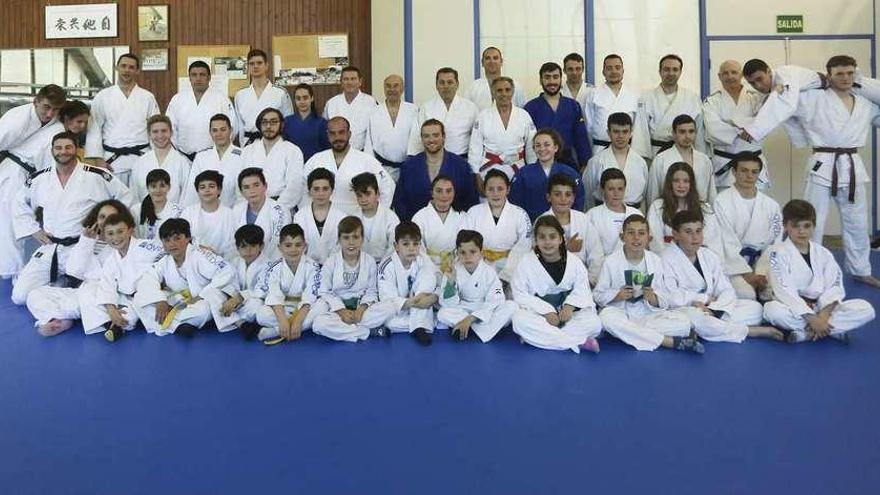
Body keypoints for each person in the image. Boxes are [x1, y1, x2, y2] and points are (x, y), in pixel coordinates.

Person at [12, 132, 132, 305]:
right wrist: (33, 229)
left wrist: (109, 229)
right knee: (19, 297)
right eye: (58, 148)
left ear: (77, 149)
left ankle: (62, 289)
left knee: (99, 291)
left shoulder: (97, 175)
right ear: (52, 150)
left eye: (68, 147)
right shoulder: (40, 178)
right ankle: (59, 287)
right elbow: (19, 203)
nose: (63, 151)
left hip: (83, 247)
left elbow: (125, 197)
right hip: (51, 246)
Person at [792, 55, 880, 287]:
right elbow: (786, 106)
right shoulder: (813, 98)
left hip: (852, 165)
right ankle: (811, 270)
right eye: (839, 73)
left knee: (857, 221)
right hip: (823, 163)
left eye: (850, 73)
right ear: (829, 75)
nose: (845, 78)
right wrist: (798, 138)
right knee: (813, 219)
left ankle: (861, 268)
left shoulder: (865, 103)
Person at [661, 210, 783, 344]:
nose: (695, 237)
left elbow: (726, 289)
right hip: (684, 310)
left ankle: (710, 326)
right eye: (688, 232)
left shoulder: (709, 255)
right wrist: (703, 299)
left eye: (698, 231)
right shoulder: (665, 258)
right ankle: (749, 331)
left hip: (711, 309)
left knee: (756, 308)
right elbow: (670, 296)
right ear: (675, 234)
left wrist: (716, 309)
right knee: (693, 318)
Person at [764, 200, 875, 343]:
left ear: (814, 226)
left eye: (807, 226)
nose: (802, 231)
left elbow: (834, 285)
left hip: (822, 307)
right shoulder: (776, 253)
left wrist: (822, 316)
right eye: (795, 226)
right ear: (785, 226)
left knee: (865, 308)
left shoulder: (824, 253)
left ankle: (806, 334)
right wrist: (811, 318)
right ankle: (831, 330)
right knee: (773, 311)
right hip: (793, 308)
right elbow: (784, 290)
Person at [593, 215, 702, 353]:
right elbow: (597, 295)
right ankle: (669, 341)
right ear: (622, 237)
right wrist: (617, 295)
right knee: (605, 318)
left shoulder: (656, 260)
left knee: (684, 322)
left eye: (641, 233)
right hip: (621, 312)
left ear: (648, 238)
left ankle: (627, 333)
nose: (636, 238)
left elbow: (665, 296)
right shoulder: (610, 261)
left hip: (647, 314)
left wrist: (653, 298)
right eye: (631, 233)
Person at [25, 200, 127, 336]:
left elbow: (110, 277)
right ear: (96, 218)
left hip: (104, 295)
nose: (105, 221)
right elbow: (73, 271)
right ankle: (59, 318)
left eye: (111, 217)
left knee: (88, 296)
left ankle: (65, 316)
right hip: (82, 293)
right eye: (102, 217)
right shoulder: (88, 239)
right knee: (34, 295)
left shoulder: (121, 242)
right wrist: (86, 241)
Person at [0, 89, 72, 278]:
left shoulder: (56, 127)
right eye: (46, 107)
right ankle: (10, 271)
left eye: (55, 110)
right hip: (13, 171)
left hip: (32, 174)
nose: (49, 114)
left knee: (21, 219)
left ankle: (17, 268)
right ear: (36, 101)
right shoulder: (18, 118)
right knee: (9, 222)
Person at [511, 216, 602, 353]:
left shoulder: (575, 262)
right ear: (536, 241)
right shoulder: (525, 262)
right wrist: (546, 311)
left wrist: (570, 307)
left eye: (552, 237)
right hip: (540, 315)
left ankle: (539, 337)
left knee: (594, 323)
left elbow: (583, 290)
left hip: (568, 315)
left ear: (561, 239)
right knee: (519, 320)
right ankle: (579, 341)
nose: (547, 242)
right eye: (542, 237)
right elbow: (520, 294)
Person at [134, 218, 235, 337]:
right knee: (139, 299)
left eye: (177, 238)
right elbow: (149, 279)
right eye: (167, 240)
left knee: (204, 310)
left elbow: (226, 272)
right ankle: (180, 325)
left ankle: (171, 323)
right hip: (179, 301)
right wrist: (160, 300)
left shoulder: (200, 255)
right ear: (163, 243)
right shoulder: (165, 261)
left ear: (188, 238)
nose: (172, 244)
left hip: (201, 300)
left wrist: (201, 296)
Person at [79, 209, 165, 341]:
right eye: (110, 234)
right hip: (127, 297)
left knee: (143, 305)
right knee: (89, 291)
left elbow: (169, 248)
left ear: (130, 231)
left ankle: (118, 324)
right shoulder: (111, 259)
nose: (116, 238)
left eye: (120, 231)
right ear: (105, 236)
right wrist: (111, 309)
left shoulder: (145, 246)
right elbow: (107, 285)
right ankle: (114, 321)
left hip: (152, 294)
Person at [311, 216, 397, 341]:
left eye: (355, 237)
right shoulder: (331, 262)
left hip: (362, 310)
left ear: (362, 239)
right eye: (346, 238)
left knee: (390, 307)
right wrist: (341, 311)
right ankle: (366, 332)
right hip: (337, 311)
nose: (351, 242)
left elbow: (371, 291)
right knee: (319, 324)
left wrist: (361, 310)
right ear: (339, 240)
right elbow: (324, 291)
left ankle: (347, 330)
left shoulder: (370, 261)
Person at [712, 152, 782, 300]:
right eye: (744, 171)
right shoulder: (721, 202)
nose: (749, 176)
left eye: (754, 172)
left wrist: (761, 273)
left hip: (763, 264)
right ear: (734, 172)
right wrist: (747, 274)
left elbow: (775, 243)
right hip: (734, 266)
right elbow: (725, 243)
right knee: (746, 295)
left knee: (777, 293)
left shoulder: (772, 206)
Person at [84, 53, 160, 186]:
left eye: (131, 67)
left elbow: (156, 129)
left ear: (137, 71)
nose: (126, 70)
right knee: (115, 202)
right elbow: (94, 128)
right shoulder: (103, 96)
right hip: (111, 160)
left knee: (142, 200)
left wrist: (156, 158)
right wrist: (98, 159)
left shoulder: (147, 97)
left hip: (142, 157)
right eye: (123, 66)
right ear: (116, 68)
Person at [302, 116, 395, 215]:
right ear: (328, 136)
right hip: (324, 218)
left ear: (349, 134)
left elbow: (388, 185)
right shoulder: (316, 160)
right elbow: (302, 187)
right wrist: (311, 213)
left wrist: (375, 214)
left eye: (341, 132)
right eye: (333, 133)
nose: (337, 137)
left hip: (356, 219)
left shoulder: (366, 160)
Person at [437, 230, 517, 342]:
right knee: (442, 313)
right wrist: (451, 281)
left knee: (511, 306)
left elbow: (496, 300)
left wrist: (470, 319)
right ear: (457, 253)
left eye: (472, 252)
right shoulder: (453, 270)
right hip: (462, 308)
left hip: (483, 307)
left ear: (481, 252)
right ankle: (483, 330)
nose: (467, 257)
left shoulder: (489, 272)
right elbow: (448, 303)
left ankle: (466, 327)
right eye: (462, 252)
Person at [393, 119, 478, 221]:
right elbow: (400, 202)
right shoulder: (409, 167)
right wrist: (409, 227)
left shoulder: (461, 165)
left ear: (444, 137)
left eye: (436, 135)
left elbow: (471, 201)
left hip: (454, 227)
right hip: (416, 227)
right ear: (421, 138)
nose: (431, 140)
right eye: (426, 136)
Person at [702, 60, 769, 189]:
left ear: (741, 75)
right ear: (719, 76)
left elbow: (764, 123)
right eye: (725, 73)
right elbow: (712, 129)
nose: (730, 76)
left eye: (734, 72)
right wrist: (740, 131)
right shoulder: (712, 101)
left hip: (754, 164)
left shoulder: (756, 97)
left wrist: (730, 125)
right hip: (725, 165)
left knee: (757, 206)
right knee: (724, 205)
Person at [255, 224, 322, 343]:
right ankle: (288, 327)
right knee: (261, 315)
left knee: (322, 307)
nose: (293, 249)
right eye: (288, 245)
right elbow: (274, 296)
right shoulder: (274, 268)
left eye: (298, 245)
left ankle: (276, 331)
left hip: (304, 308)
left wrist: (298, 321)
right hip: (283, 307)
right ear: (279, 247)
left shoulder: (313, 267)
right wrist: (282, 320)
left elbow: (310, 296)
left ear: (305, 246)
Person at [376, 222, 438, 345]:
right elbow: (387, 299)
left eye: (416, 244)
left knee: (427, 274)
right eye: (406, 244)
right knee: (389, 322)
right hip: (401, 309)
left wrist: (432, 297)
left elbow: (435, 284)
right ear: (396, 246)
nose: (411, 248)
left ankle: (419, 325)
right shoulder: (386, 266)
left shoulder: (423, 259)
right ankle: (421, 325)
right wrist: (415, 302)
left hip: (421, 304)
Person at [206, 224, 273, 339]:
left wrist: (239, 298)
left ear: (261, 246)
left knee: (256, 305)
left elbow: (262, 290)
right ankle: (240, 323)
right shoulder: (234, 261)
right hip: (233, 302)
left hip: (250, 302)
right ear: (237, 248)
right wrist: (231, 298)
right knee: (211, 292)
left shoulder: (269, 265)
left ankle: (225, 318)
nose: (248, 250)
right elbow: (228, 283)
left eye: (253, 246)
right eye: (243, 246)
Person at [468, 77, 537, 188]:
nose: (504, 94)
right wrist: (476, 174)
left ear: (513, 92)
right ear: (493, 93)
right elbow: (475, 148)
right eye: (499, 90)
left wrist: (532, 168)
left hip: (518, 167)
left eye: (507, 90)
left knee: (517, 201)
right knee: (491, 201)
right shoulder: (483, 116)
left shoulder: (524, 115)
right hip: (489, 167)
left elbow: (531, 146)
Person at [634, 54, 705, 159]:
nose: (671, 73)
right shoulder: (646, 98)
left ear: (680, 72)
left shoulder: (692, 97)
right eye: (666, 69)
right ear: (660, 72)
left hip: (685, 152)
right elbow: (641, 131)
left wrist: (701, 156)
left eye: (675, 69)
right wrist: (643, 158)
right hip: (656, 152)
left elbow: (699, 131)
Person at [538, 174, 604, 285]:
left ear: (573, 198)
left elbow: (596, 255)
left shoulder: (583, 220)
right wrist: (566, 248)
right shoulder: (541, 221)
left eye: (568, 194)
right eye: (557, 194)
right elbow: (537, 256)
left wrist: (589, 282)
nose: (563, 199)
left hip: (582, 280)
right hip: (550, 281)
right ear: (548, 197)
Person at [464, 169, 531, 277]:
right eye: (490, 189)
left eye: (500, 189)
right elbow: (465, 241)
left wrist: (507, 273)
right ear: (484, 190)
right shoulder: (473, 212)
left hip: (511, 266)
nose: (495, 193)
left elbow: (525, 244)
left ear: (508, 190)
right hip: (479, 265)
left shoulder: (520, 214)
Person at [647, 162, 723, 257]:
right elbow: (656, 243)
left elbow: (713, 242)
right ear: (670, 183)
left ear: (691, 184)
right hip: (668, 261)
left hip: (699, 260)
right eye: (676, 181)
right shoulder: (658, 206)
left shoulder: (704, 208)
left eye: (686, 181)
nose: (681, 185)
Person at [524, 62, 591, 169]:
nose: (552, 82)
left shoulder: (573, 105)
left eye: (555, 77)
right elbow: (527, 142)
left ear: (561, 79)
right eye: (547, 77)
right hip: (540, 161)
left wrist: (585, 163)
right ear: (541, 80)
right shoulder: (530, 107)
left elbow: (581, 138)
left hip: (568, 161)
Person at [508, 128, 585, 221]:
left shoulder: (570, 173)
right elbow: (515, 205)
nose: (542, 149)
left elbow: (578, 201)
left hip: (564, 226)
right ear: (534, 149)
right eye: (538, 145)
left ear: (556, 147)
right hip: (532, 227)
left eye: (547, 145)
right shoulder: (523, 174)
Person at [166, 60, 237, 160]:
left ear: (209, 78)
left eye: (202, 74)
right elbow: (170, 127)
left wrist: (220, 150)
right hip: (183, 156)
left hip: (212, 156)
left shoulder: (221, 99)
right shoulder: (177, 99)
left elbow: (232, 126)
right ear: (189, 78)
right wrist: (178, 151)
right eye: (194, 75)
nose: (198, 78)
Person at [241, 107, 305, 213]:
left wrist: (276, 208)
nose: (268, 126)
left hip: (281, 207)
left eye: (274, 122)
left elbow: (295, 185)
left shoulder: (292, 150)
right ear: (259, 125)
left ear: (282, 125)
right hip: (252, 207)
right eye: (264, 122)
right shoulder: (248, 150)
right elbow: (241, 182)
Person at [407, 67, 479, 157]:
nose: (446, 86)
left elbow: (477, 139)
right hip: (433, 160)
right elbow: (417, 137)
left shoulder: (471, 108)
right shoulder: (426, 107)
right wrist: (413, 159)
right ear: (436, 86)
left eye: (450, 82)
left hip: (462, 159)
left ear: (457, 84)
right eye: (441, 83)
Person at [582, 112, 648, 209]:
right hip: (603, 215)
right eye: (616, 131)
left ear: (631, 133)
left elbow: (644, 195)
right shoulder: (596, 162)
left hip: (634, 216)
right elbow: (587, 194)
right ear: (608, 133)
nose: (620, 136)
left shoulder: (640, 162)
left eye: (625, 132)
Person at [646, 114, 716, 204]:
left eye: (691, 131)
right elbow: (653, 194)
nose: (687, 136)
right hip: (669, 211)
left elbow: (711, 193)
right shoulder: (660, 159)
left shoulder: (704, 160)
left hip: (699, 211)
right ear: (674, 134)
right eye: (682, 132)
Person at [234, 48, 294, 146]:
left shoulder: (280, 92)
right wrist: (242, 146)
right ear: (247, 67)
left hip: (275, 142)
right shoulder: (240, 95)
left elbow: (288, 122)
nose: (255, 66)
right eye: (252, 64)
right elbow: (240, 126)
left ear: (266, 65)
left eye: (259, 63)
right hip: (249, 144)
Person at [181, 114, 243, 208]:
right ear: (210, 133)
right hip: (205, 212)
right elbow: (192, 191)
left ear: (231, 130)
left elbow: (245, 190)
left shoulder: (243, 155)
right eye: (215, 130)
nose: (219, 134)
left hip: (234, 213)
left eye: (223, 129)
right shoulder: (201, 157)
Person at [364, 74, 419, 181]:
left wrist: (414, 164)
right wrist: (371, 167)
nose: (392, 89)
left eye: (396, 86)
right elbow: (368, 143)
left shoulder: (413, 110)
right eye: (388, 86)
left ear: (402, 88)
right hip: (381, 167)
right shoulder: (374, 111)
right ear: (384, 89)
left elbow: (416, 140)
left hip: (407, 167)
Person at [584, 54, 644, 150]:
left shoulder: (634, 95)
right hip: (599, 148)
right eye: (609, 68)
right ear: (603, 72)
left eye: (617, 68)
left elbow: (637, 127)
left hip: (626, 149)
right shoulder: (593, 94)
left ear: (623, 71)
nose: (614, 71)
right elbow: (588, 126)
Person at [412, 175, 469, 272]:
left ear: (454, 193)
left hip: (457, 265)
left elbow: (467, 245)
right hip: (427, 267)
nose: (444, 195)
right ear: (432, 193)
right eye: (439, 191)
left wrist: (454, 263)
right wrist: (430, 267)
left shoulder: (463, 216)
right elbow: (417, 247)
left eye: (448, 191)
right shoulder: (419, 217)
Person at [129, 115, 190, 204]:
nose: (160, 135)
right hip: (146, 215)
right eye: (155, 132)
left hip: (175, 216)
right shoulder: (139, 163)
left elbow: (186, 196)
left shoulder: (183, 162)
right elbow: (134, 196)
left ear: (171, 132)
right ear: (149, 134)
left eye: (164, 131)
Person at [232, 168, 290, 259]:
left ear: (265, 186)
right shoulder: (236, 210)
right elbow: (233, 243)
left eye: (256, 185)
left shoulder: (280, 211)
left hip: (271, 265)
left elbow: (277, 246)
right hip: (243, 263)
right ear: (241, 192)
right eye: (246, 187)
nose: (252, 190)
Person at [292, 168, 345, 264]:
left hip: (335, 267)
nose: (321, 194)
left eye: (325, 189)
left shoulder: (342, 217)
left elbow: (342, 248)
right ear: (309, 191)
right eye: (316, 189)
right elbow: (298, 246)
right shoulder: (299, 217)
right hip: (306, 268)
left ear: (332, 190)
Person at [181, 170, 237, 259]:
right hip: (192, 261)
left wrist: (216, 257)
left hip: (222, 263)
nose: (207, 190)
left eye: (211, 186)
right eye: (202, 187)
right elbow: (181, 241)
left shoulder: (230, 215)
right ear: (198, 191)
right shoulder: (188, 213)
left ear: (219, 190)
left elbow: (233, 247)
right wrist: (198, 249)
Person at [584, 168, 641, 256]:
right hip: (602, 266)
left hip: (633, 265)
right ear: (602, 190)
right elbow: (588, 249)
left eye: (620, 189)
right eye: (611, 189)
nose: (616, 193)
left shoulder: (636, 214)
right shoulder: (592, 215)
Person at [322, 65, 377, 151]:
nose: (349, 82)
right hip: (337, 152)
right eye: (346, 79)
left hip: (363, 153)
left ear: (360, 81)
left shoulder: (371, 102)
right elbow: (326, 130)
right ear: (341, 82)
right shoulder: (331, 103)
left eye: (353, 79)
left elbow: (375, 133)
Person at [352, 172, 399, 263]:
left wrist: (382, 266)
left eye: (368, 194)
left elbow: (394, 247)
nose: (364, 199)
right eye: (359, 195)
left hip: (386, 265)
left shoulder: (390, 218)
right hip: (360, 265)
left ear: (377, 193)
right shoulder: (353, 217)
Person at [466, 46, 527, 110]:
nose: (492, 61)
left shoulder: (515, 86)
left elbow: (522, 110)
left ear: (501, 62)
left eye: (495, 58)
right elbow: (467, 112)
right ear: (482, 63)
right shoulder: (473, 88)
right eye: (487, 58)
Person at [131, 169, 183, 240]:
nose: (158, 190)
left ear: (169, 187)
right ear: (147, 188)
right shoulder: (136, 210)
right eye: (153, 186)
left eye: (162, 186)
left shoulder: (177, 211)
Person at [283, 83, 330, 161]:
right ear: (294, 100)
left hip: (316, 165)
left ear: (312, 98)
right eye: (298, 98)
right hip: (292, 164)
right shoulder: (287, 122)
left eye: (305, 98)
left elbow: (326, 150)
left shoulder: (322, 123)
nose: (302, 102)